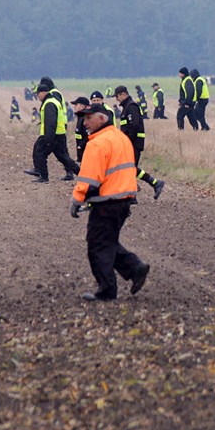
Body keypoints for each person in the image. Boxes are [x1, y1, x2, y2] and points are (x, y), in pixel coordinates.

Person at [70, 103, 151, 302]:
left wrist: (76, 200)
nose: (85, 123)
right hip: (124, 200)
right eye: (84, 119)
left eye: (89, 118)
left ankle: (107, 291)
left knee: (97, 245)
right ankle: (135, 268)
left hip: (106, 202)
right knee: (107, 241)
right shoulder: (121, 138)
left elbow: (89, 179)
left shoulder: (97, 144)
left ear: (102, 118)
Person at [113, 86, 166, 199]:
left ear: (123, 94)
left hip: (134, 143)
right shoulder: (127, 107)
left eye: (117, 96)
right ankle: (150, 185)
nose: (117, 99)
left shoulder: (131, 106)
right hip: (131, 143)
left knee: (129, 168)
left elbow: (134, 126)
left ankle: (150, 185)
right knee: (130, 168)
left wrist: (127, 142)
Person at [25, 84, 79, 183]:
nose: (37, 96)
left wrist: (48, 139)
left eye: (38, 94)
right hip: (60, 134)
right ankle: (81, 173)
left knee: (40, 153)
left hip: (52, 135)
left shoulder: (49, 103)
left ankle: (43, 176)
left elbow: (50, 122)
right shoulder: (53, 101)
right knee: (64, 157)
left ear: (43, 92)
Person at [70, 97, 90, 162]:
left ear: (82, 106)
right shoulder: (80, 117)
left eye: (76, 105)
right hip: (81, 153)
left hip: (87, 153)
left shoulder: (85, 118)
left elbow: (89, 136)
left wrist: (81, 146)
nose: (74, 107)